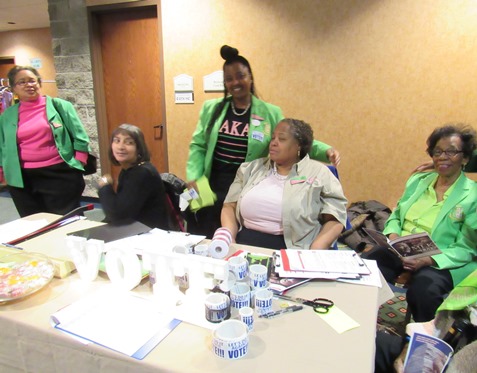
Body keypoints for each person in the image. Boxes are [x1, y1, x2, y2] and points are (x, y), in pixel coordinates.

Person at [186, 45, 341, 238]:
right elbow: (198, 145)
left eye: (240, 76)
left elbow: (293, 139)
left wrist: (325, 150)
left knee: (233, 232)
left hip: (243, 182)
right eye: (229, 78)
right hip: (208, 181)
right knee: (198, 226)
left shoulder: (269, 112)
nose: (235, 82)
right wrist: (194, 178)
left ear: (250, 77)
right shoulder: (211, 108)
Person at [363, 124, 477, 322]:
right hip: (401, 248)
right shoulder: (418, 180)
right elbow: (396, 216)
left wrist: (428, 260)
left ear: (465, 158)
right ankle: (361, 322)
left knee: (425, 290)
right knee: (365, 269)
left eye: (451, 152)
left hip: (442, 258)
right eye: (438, 151)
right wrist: (394, 237)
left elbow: (466, 248)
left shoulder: (472, 195)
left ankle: (422, 340)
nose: (443, 157)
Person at [220, 118, 348, 250]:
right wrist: (230, 238)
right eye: (273, 138)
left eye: (281, 139)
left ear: (299, 145)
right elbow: (229, 206)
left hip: (296, 248)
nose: (273, 143)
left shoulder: (320, 173)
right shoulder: (250, 169)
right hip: (245, 242)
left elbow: (336, 218)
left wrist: (316, 249)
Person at [0, 65, 90, 217]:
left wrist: (79, 162)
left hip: (59, 174)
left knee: (67, 221)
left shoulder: (60, 106)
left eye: (32, 80)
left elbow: (80, 136)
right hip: (22, 178)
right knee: (34, 224)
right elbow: (2, 146)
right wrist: (2, 172)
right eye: (22, 82)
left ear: (39, 83)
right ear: (14, 88)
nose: (29, 85)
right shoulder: (7, 116)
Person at [375, 269, 477, 373]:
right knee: (371, 344)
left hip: (455, 364)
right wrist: (412, 344)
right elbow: (442, 322)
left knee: (426, 292)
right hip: (439, 355)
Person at [97, 124, 169, 229]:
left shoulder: (142, 173)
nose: (121, 147)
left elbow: (118, 216)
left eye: (129, 143)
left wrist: (105, 186)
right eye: (117, 141)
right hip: (134, 230)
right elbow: (119, 208)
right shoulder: (128, 170)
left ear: (139, 148)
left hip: (150, 236)